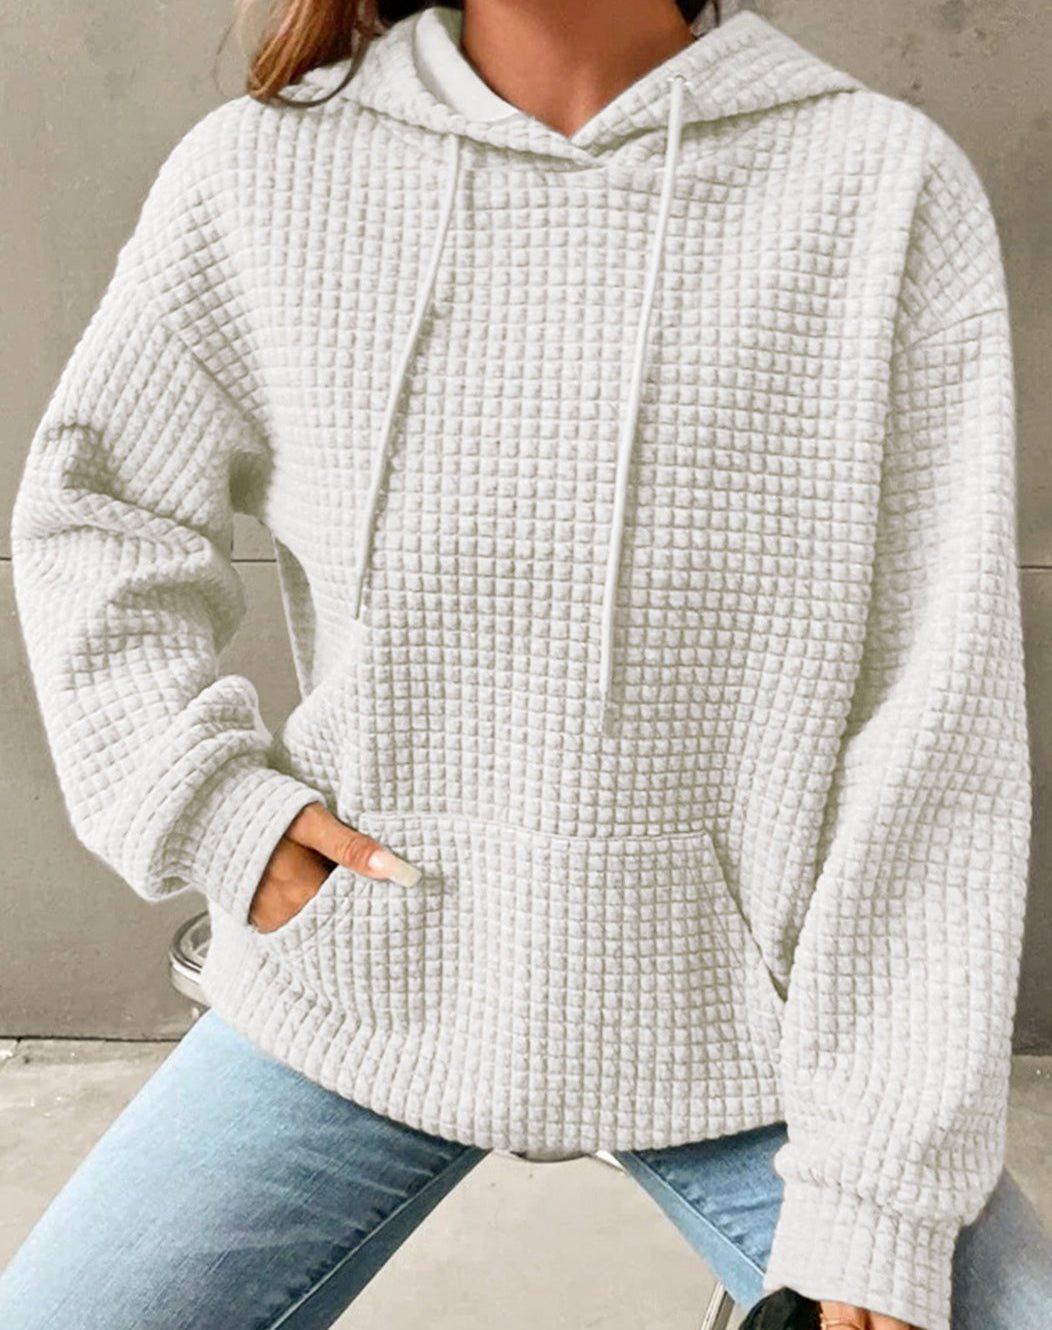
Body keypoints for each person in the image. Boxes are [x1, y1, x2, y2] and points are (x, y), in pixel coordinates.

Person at [3, 1, 1051, 1327]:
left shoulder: (880, 187)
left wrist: (880, 1194)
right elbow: (97, 517)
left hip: (746, 1031)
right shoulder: (263, 172)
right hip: (364, 974)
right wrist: (213, 807)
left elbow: (934, 733)